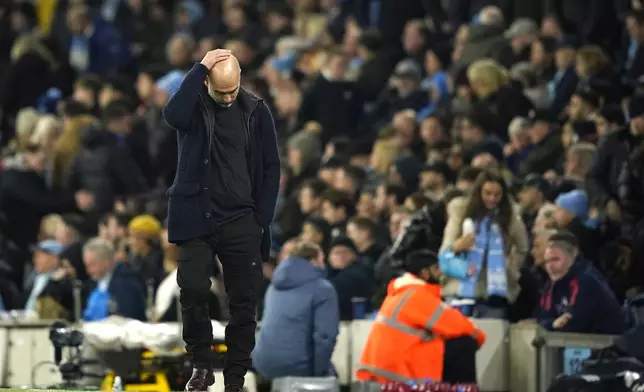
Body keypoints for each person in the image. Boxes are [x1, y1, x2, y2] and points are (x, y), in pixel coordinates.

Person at [161, 49, 281, 392]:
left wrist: (262, 218)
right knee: (194, 289)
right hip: (195, 216)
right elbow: (172, 115)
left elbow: (271, 167)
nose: (228, 98)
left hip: (242, 218)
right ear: (207, 83)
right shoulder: (193, 105)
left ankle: (235, 379)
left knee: (244, 302)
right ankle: (200, 364)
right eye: (220, 91)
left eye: (233, 91)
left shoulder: (256, 110)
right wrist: (200, 68)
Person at [356, 249, 486, 384]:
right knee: (463, 344)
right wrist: (479, 337)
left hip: (384, 367)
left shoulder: (403, 292)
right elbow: (458, 325)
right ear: (425, 273)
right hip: (395, 371)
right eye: (436, 269)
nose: (440, 273)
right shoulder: (418, 295)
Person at [252, 241, 339, 379]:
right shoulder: (323, 289)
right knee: (332, 376)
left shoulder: (274, 287)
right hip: (296, 365)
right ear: (312, 261)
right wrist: (318, 375)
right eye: (322, 260)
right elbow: (325, 337)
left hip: (263, 362)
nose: (324, 265)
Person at [536, 230, 626, 335]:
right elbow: (541, 319)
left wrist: (552, 324)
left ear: (572, 256)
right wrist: (552, 324)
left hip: (606, 346)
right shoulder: (553, 283)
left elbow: (573, 325)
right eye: (547, 261)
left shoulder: (586, 280)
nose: (550, 267)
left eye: (556, 260)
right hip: (575, 344)